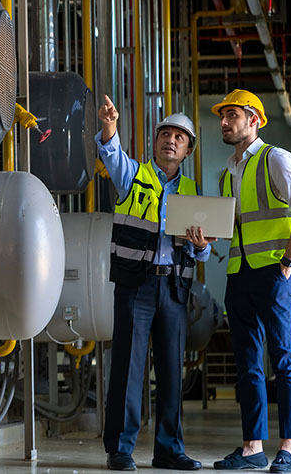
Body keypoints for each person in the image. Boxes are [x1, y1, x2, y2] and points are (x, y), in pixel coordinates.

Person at [192, 89, 291, 473]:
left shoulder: (275, 158)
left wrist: (286, 263)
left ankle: (289, 450)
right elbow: (236, 226)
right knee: (247, 363)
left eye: (232, 115)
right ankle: (252, 449)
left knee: (284, 358)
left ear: (255, 120)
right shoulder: (228, 171)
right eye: (222, 117)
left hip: (274, 273)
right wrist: (207, 237)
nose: (224, 123)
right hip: (239, 275)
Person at [97, 95, 210, 472]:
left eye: (179, 137)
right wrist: (110, 125)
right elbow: (111, 154)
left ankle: (168, 449)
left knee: (171, 371)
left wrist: (200, 247)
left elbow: (204, 253)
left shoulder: (193, 192)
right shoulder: (134, 175)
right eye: (165, 134)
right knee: (127, 368)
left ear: (188, 149)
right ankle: (120, 449)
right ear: (155, 141)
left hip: (175, 290)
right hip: (135, 287)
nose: (171, 141)